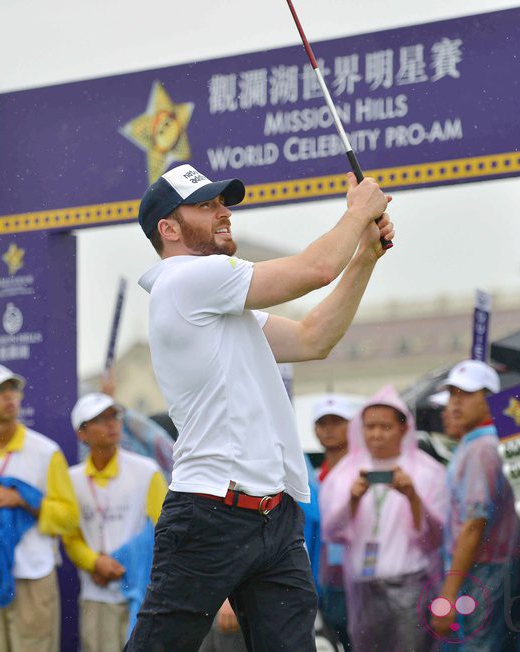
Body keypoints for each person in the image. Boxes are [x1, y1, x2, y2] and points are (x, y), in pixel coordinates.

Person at [126, 162, 393, 651]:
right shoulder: (187, 280)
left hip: (275, 516)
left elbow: (314, 338)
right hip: (208, 512)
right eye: (205, 205)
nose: (223, 212)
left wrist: (365, 258)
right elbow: (314, 270)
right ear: (169, 229)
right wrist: (357, 213)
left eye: (222, 202)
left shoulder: (219, 302)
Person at [0, 364, 80, 652]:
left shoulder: (46, 452)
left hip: (33, 574)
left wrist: (24, 501)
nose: (10, 396)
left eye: (13, 389)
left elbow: (69, 518)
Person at [320, 385, 446, 651]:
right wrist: (352, 501)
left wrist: (413, 497)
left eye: (385, 427)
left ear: (403, 428)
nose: (376, 435)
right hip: (362, 588)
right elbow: (331, 532)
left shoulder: (427, 471)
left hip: (411, 585)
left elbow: (435, 538)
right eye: (370, 427)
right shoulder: (345, 473)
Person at [63, 392, 168, 652]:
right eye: (100, 419)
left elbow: (165, 531)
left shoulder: (147, 471)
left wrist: (129, 565)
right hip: (95, 595)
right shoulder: (71, 479)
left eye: (114, 416)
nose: (112, 424)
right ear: (82, 433)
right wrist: (94, 562)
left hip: (143, 595)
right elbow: (70, 537)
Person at [431, 361, 520, 650]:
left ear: (489, 399)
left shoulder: (483, 449)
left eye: (467, 394)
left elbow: (474, 524)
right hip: (483, 569)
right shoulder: (475, 444)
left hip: (484, 570)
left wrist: (448, 593)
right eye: (453, 394)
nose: (456, 403)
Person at [310, 395, 354, 650]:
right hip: (324, 579)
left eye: (337, 421)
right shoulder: (312, 479)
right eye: (323, 423)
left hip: (358, 574)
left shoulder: (363, 471)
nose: (329, 429)